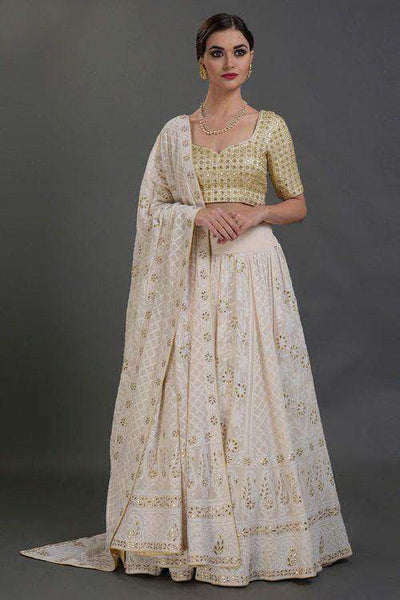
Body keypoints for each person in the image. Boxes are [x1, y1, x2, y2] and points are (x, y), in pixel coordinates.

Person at [19, 12, 353, 587]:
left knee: (251, 393)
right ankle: (192, 533)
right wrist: (194, 215)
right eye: (217, 52)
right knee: (191, 393)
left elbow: (297, 203)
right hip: (193, 273)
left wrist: (257, 212)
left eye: (239, 51)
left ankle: (256, 533)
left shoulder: (270, 127)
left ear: (252, 58)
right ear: (201, 61)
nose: (229, 62)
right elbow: (152, 208)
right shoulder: (176, 133)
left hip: (253, 274)